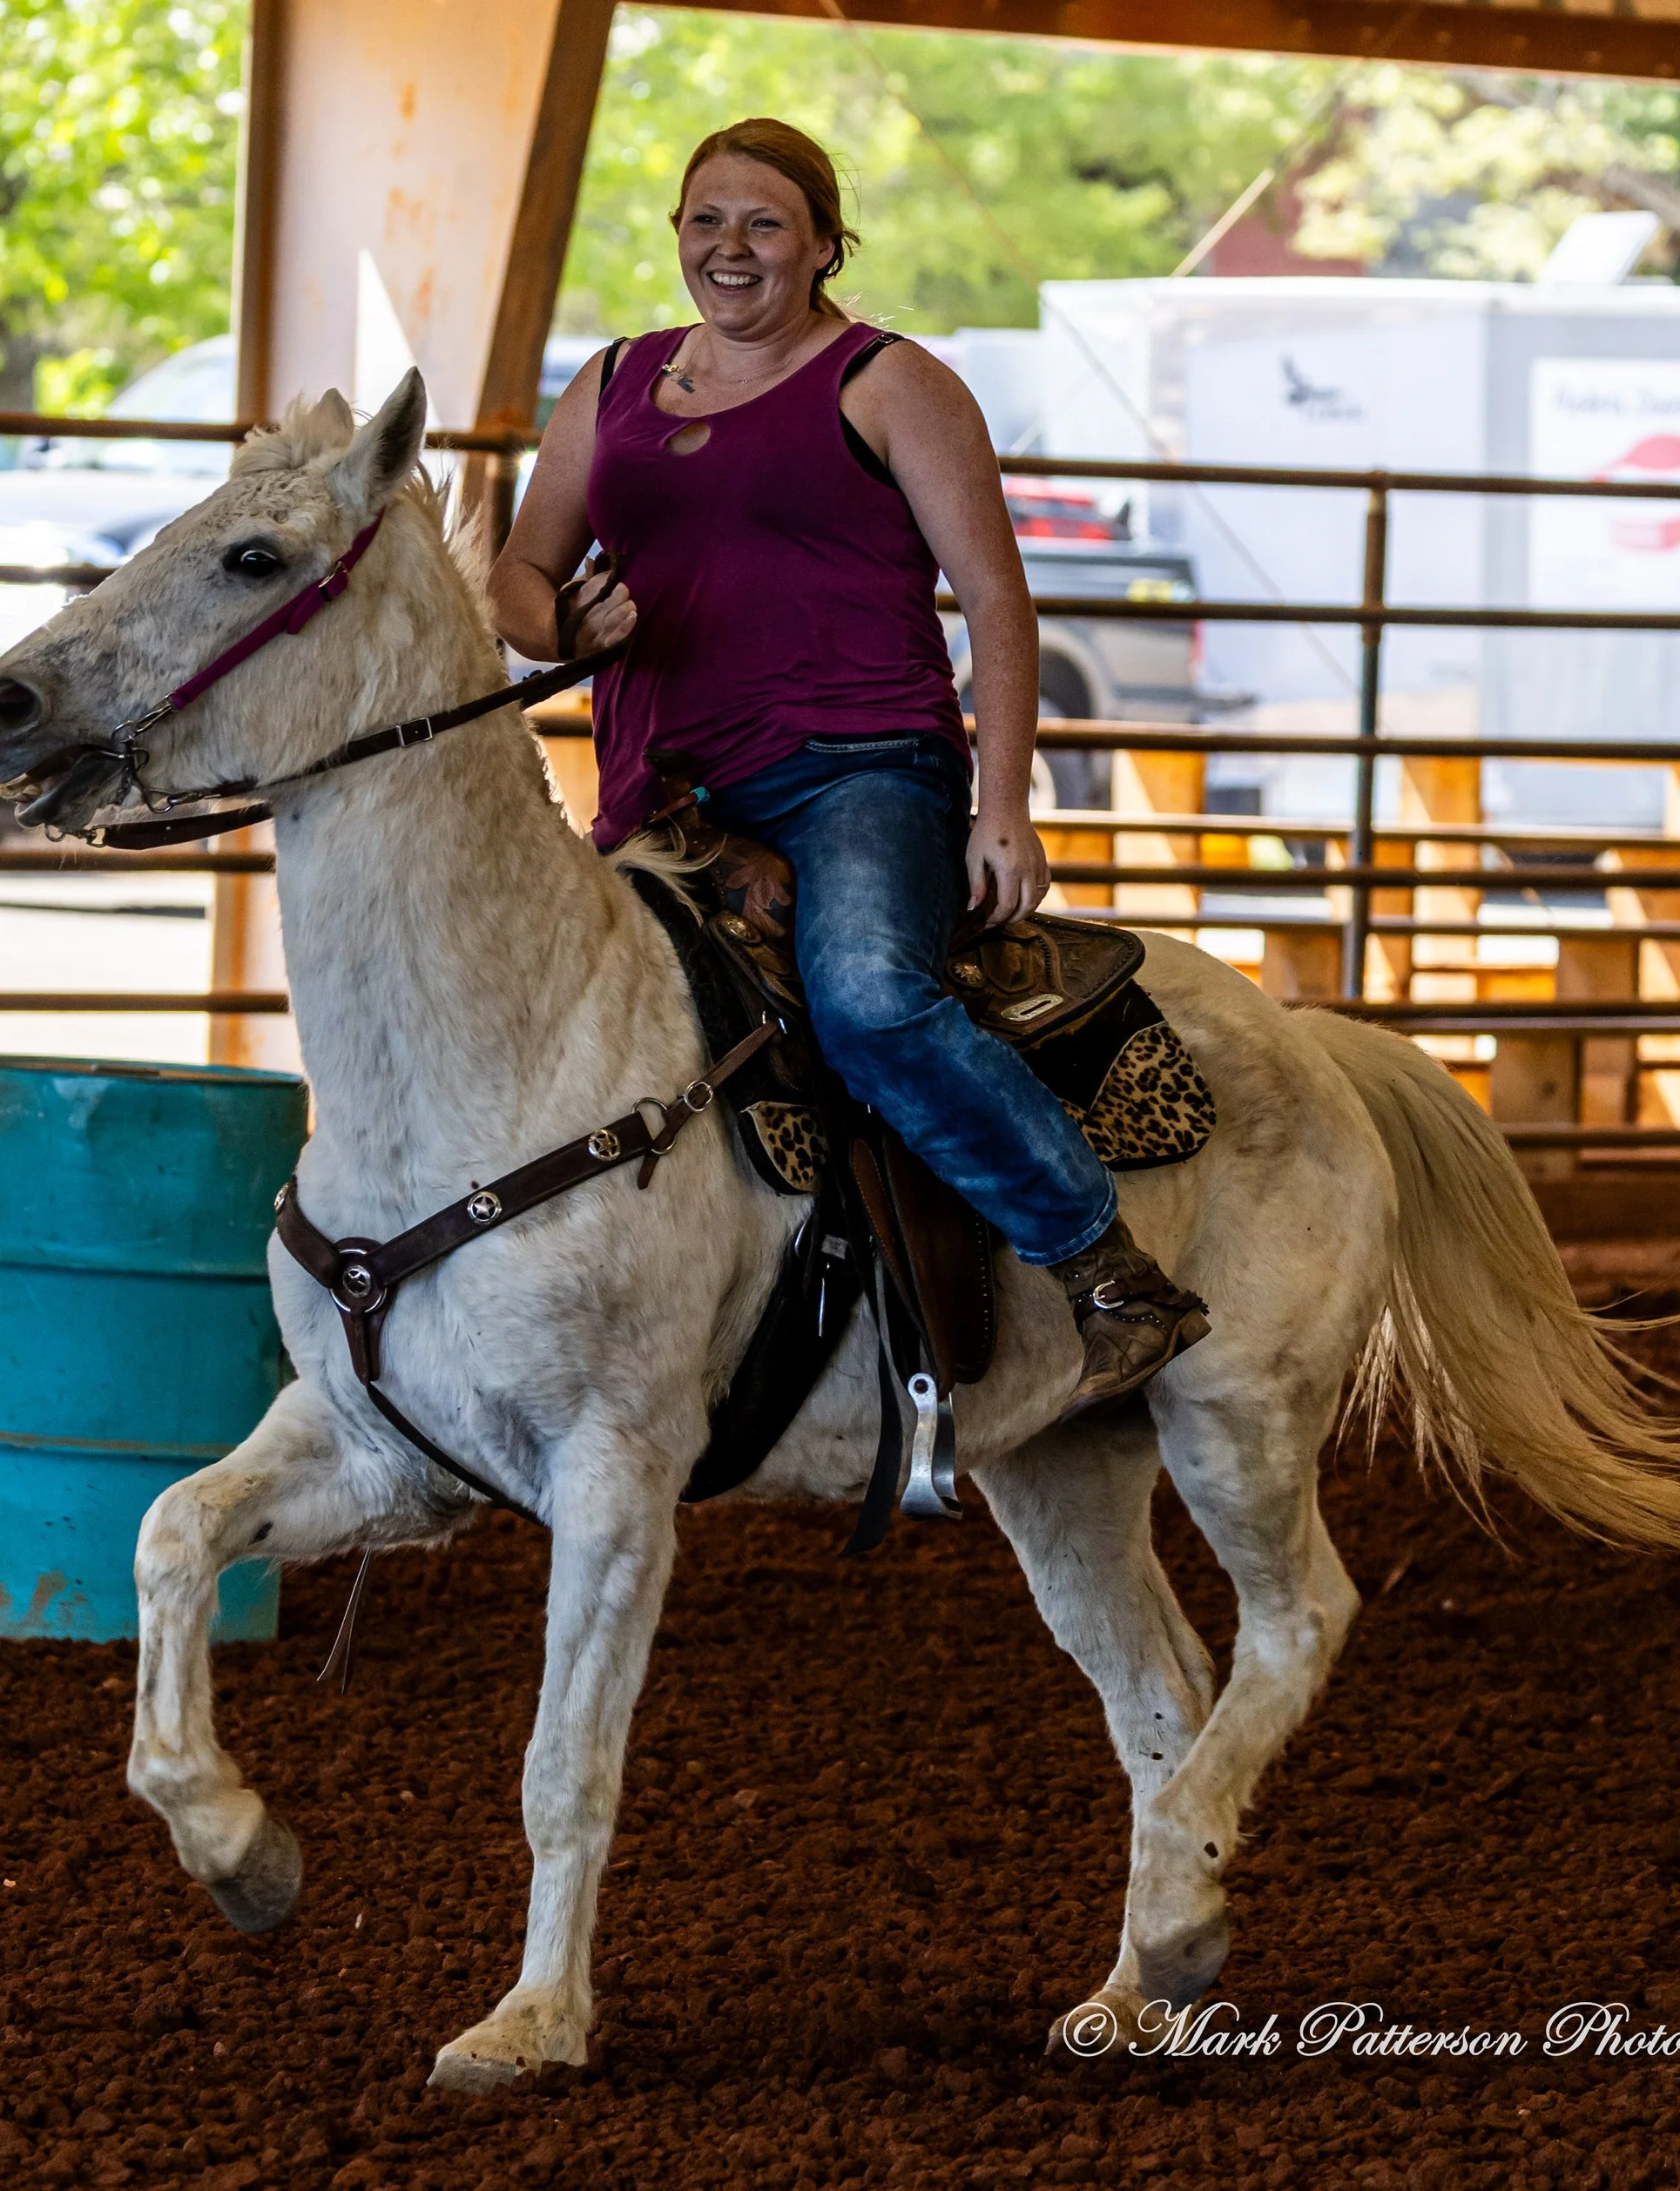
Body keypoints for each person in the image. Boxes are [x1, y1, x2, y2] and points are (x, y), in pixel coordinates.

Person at [489, 117, 1206, 1414]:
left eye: (765, 224)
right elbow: (519, 581)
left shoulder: (887, 383)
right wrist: (561, 627)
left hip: (857, 769)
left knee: (873, 1000)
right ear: (677, 238)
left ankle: (1102, 1264)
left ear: (823, 246)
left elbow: (997, 603)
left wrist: (1001, 810)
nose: (732, 247)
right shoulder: (612, 384)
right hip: (667, 792)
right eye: (707, 220)